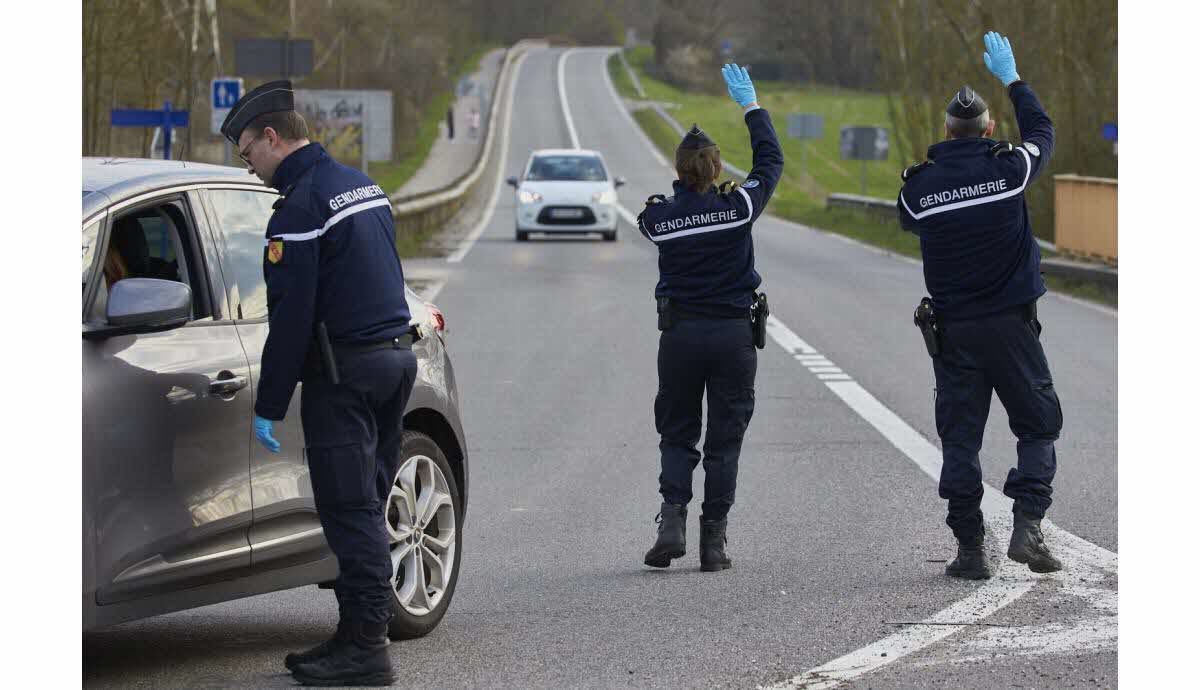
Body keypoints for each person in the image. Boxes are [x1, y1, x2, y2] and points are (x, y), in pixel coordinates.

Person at [221, 80, 417, 686]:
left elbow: (292, 319)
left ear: (272, 137)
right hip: (395, 361)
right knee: (369, 500)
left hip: (347, 375)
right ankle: (357, 630)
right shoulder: (360, 184)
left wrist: (269, 403)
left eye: (248, 151)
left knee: (349, 509)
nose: (248, 166)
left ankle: (365, 646)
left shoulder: (300, 210)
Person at [897, 31, 1064, 580]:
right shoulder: (1009, 167)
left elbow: (907, 220)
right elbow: (1043, 132)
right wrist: (1013, 79)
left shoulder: (918, 189)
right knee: (1037, 427)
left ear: (946, 131)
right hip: (1013, 329)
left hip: (955, 335)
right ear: (989, 129)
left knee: (960, 439)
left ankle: (970, 550)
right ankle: (1026, 528)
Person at [636, 64, 783, 572]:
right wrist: (751, 106)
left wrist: (680, 199)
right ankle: (713, 542)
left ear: (678, 171)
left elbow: (655, 219)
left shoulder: (659, 219)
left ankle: (672, 519)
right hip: (732, 336)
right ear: (718, 169)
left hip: (679, 337)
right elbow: (771, 162)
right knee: (726, 437)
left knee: (678, 432)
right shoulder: (738, 208)